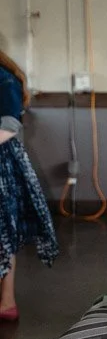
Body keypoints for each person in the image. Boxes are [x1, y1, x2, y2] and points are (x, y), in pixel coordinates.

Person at [0, 46, 58, 321]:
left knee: (4, 233)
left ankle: (7, 300)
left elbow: (10, 126)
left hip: (3, 164)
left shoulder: (5, 79)